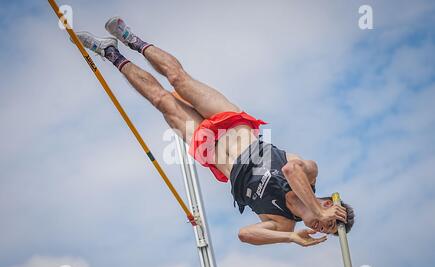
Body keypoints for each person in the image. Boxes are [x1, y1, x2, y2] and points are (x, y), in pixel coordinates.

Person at [75, 17, 355, 247]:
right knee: (178, 79)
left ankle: (110, 53)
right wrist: (317, 209)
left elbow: (245, 234)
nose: (322, 227)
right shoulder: (310, 173)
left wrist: (290, 236)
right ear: (331, 203)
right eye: (330, 222)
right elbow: (291, 170)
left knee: (161, 100)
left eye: (327, 231)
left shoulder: (282, 222)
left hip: (210, 149)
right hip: (233, 125)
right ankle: (132, 39)